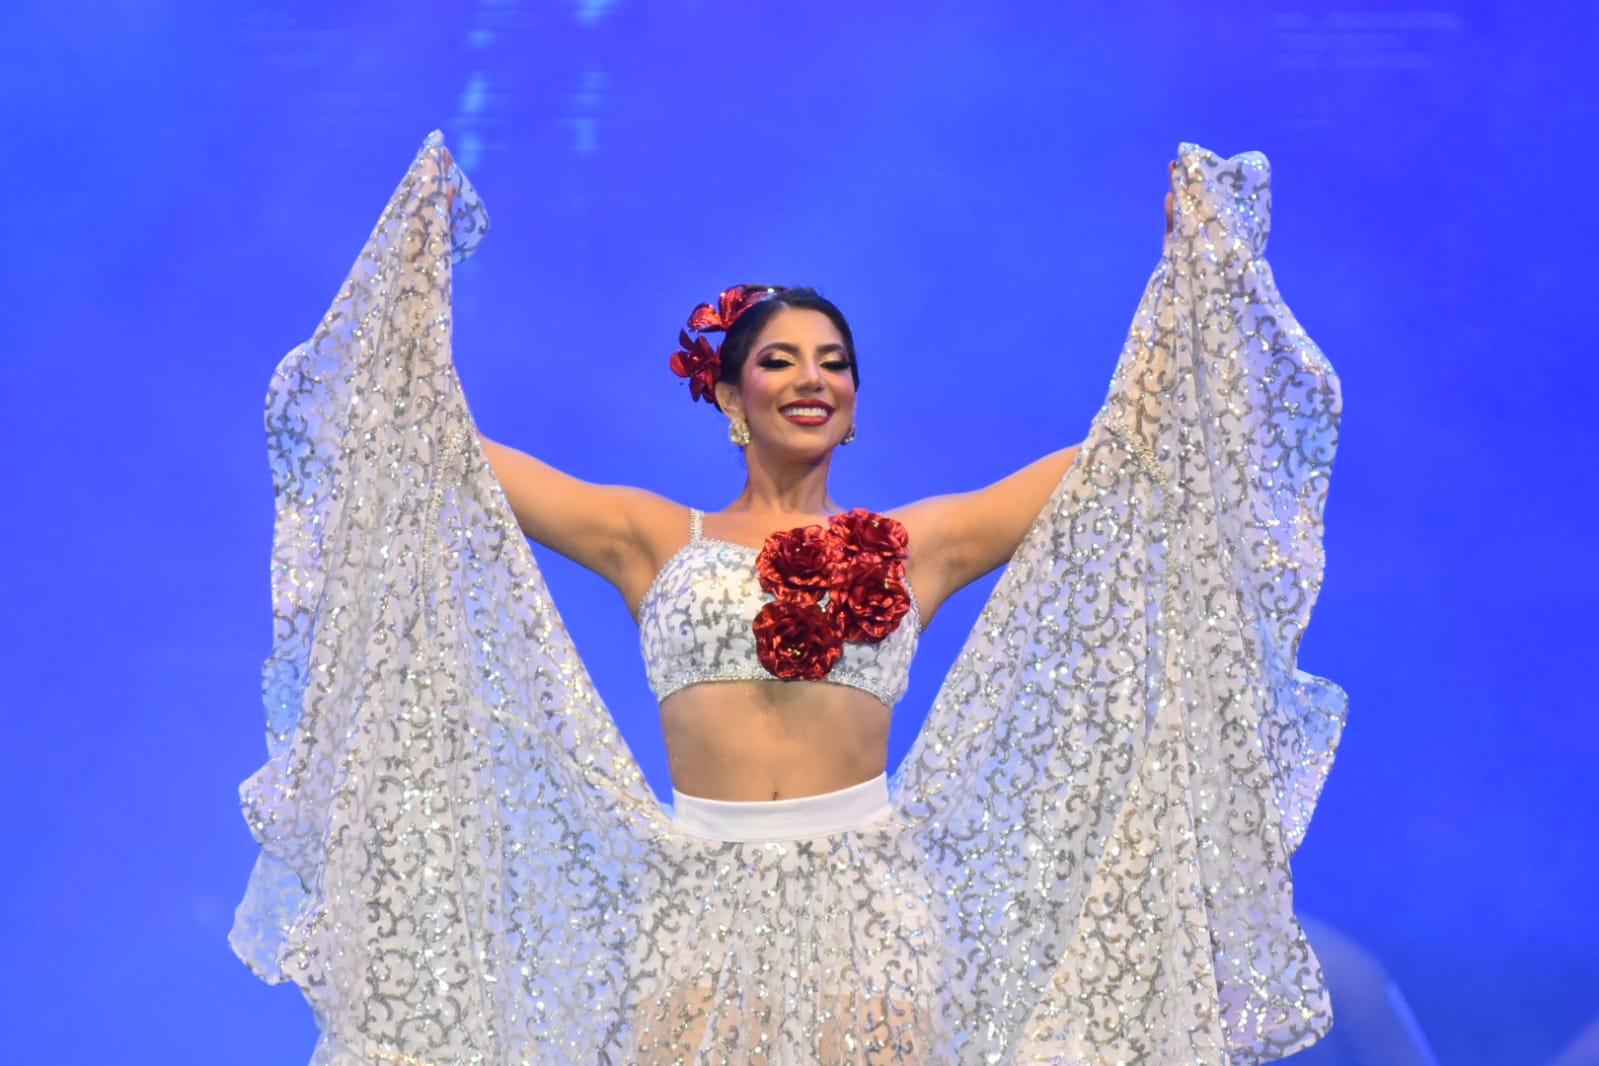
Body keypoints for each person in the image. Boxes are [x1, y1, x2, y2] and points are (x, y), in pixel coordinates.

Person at [230, 130, 1347, 1065]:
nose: (811, 376)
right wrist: (411, 286)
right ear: (727, 394)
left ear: (854, 407)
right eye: (778, 360)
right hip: (696, 910)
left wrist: (1190, 277)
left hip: (870, 917)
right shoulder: (650, 536)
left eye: (834, 362)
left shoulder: (921, 543)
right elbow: (438, 450)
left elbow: (1126, 456)